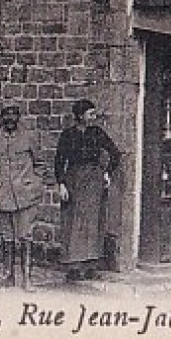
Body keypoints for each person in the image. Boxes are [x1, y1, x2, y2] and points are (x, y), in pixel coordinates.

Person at [0, 104, 47, 289]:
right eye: (6, 115)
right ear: (1, 117)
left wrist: (35, 184)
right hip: (0, 195)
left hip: (25, 196)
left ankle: (27, 279)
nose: (10, 119)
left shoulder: (29, 137)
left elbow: (40, 163)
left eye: (14, 115)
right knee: (6, 236)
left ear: (18, 117)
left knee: (25, 236)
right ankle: (7, 275)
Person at [53, 99, 120, 282]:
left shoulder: (98, 133)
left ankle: (91, 265)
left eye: (94, 113)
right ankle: (73, 266)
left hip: (93, 181)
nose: (94, 117)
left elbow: (115, 153)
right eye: (90, 114)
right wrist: (61, 184)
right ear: (80, 116)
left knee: (93, 222)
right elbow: (59, 160)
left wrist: (106, 173)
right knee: (72, 222)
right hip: (74, 179)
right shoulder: (68, 135)